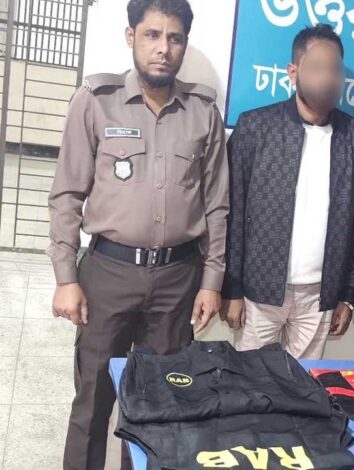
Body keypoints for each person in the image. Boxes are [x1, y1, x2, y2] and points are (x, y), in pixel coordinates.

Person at [47, 1, 229, 468]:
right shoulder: (96, 100)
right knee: (92, 402)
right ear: (131, 37)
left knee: (161, 406)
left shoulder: (203, 112)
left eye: (174, 38)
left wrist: (211, 280)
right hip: (107, 274)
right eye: (152, 35)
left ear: (184, 44)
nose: (163, 48)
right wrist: (66, 277)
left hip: (177, 279)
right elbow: (67, 194)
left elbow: (216, 204)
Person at [220, 24, 354, 359]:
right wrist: (231, 287)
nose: (328, 79)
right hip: (258, 291)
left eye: (335, 70)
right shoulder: (256, 127)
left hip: (320, 294)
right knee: (250, 380)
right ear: (294, 72)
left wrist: (347, 294)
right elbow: (232, 212)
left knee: (302, 383)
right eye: (317, 68)